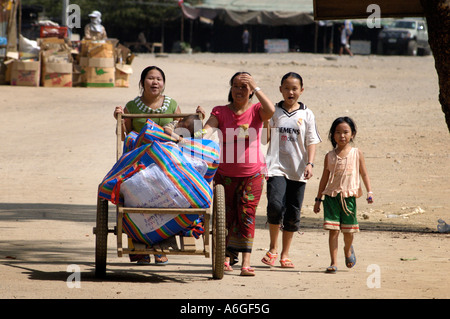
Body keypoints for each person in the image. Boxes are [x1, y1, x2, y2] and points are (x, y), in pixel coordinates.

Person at [114, 66, 202, 265]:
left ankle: (161, 246)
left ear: (163, 83)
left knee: (168, 199)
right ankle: (139, 247)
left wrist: (197, 119)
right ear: (142, 82)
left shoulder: (172, 105)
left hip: (168, 163)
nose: (155, 82)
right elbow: (125, 138)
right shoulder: (131, 106)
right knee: (134, 198)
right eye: (150, 78)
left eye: (159, 79)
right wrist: (119, 118)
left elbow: (184, 133)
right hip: (140, 163)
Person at [203, 72, 275, 276]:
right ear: (230, 88)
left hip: (252, 175)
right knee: (226, 217)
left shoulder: (257, 110)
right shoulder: (220, 111)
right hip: (224, 175)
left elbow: (271, 110)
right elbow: (208, 128)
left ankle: (245, 262)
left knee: (247, 215)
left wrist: (255, 85)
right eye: (236, 86)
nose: (239, 90)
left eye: (244, 87)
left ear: (251, 90)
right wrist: (196, 135)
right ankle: (225, 259)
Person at [261, 72, 321, 269]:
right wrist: (264, 123)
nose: (290, 92)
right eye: (286, 88)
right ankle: (273, 248)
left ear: (301, 91)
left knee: (293, 213)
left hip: (298, 170)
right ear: (280, 89)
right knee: (275, 206)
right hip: (275, 166)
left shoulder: (307, 114)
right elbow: (264, 139)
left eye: (294, 88)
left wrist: (310, 164)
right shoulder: (274, 112)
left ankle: (285, 254)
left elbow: (311, 141)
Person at [313, 117, 373, 274]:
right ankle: (333, 262)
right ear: (333, 135)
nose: (342, 136)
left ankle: (348, 249)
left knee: (348, 232)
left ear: (352, 134)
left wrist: (369, 192)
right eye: (338, 132)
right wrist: (318, 199)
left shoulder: (356, 153)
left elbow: (364, 174)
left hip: (349, 198)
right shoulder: (329, 156)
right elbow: (324, 179)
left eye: (346, 132)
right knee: (333, 231)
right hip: (331, 198)